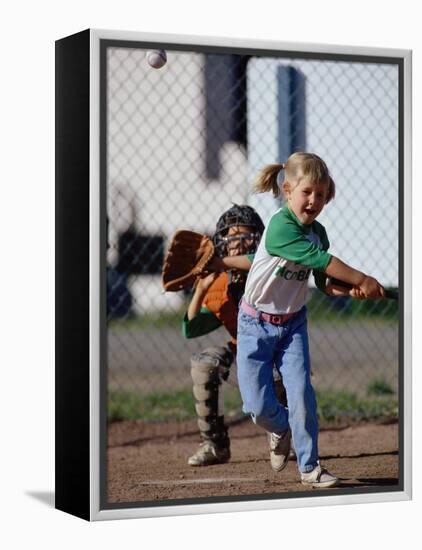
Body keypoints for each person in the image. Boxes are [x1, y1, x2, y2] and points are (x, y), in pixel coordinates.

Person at [232, 152, 385, 488]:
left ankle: (309, 467)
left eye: (320, 193)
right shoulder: (279, 227)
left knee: (301, 393)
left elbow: (323, 281)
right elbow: (323, 260)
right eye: (306, 192)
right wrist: (362, 278)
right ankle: (281, 428)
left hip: (292, 326)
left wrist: (347, 291)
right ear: (287, 191)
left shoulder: (319, 233)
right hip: (254, 323)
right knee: (256, 406)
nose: (313, 200)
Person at [182, 204, 287, 467]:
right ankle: (214, 444)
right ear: (221, 243)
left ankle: (284, 435)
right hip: (242, 350)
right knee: (205, 364)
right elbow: (190, 328)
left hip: (275, 350)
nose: (238, 244)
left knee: (276, 375)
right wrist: (201, 288)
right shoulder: (218, 282)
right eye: (232, 237)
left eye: (246, 237)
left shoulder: (268, 271)